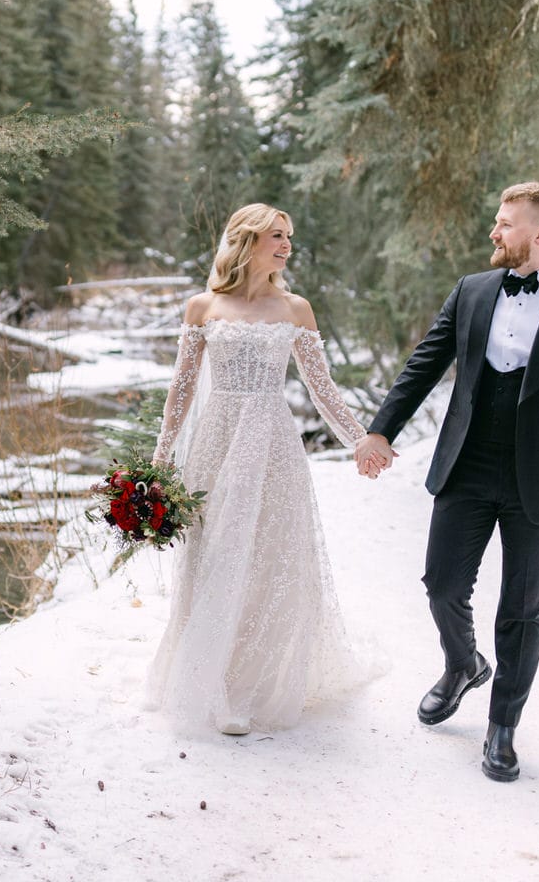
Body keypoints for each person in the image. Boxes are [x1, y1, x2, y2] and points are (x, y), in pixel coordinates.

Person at [354, 181, 539, 782]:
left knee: (524, 609)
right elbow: (425, 362)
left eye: (505, 224)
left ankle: (502, 727)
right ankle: (461, 664)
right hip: (468, 464)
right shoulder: (472, 291)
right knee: (442, 584)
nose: (493, 232)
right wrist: (381, 430)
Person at [147, 203, 382, 735]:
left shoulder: (296, 308)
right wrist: (159, 461)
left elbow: (322, 389)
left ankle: (249, 686)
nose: (287, 245)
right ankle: (211, 679)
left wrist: (360, 441)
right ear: (247, 240)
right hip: (217, 441)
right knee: (214, 555)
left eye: (289, 237)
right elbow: (180, 392)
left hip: (273, 443)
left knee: (266, 557)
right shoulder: (202, 306)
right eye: (277, 235)